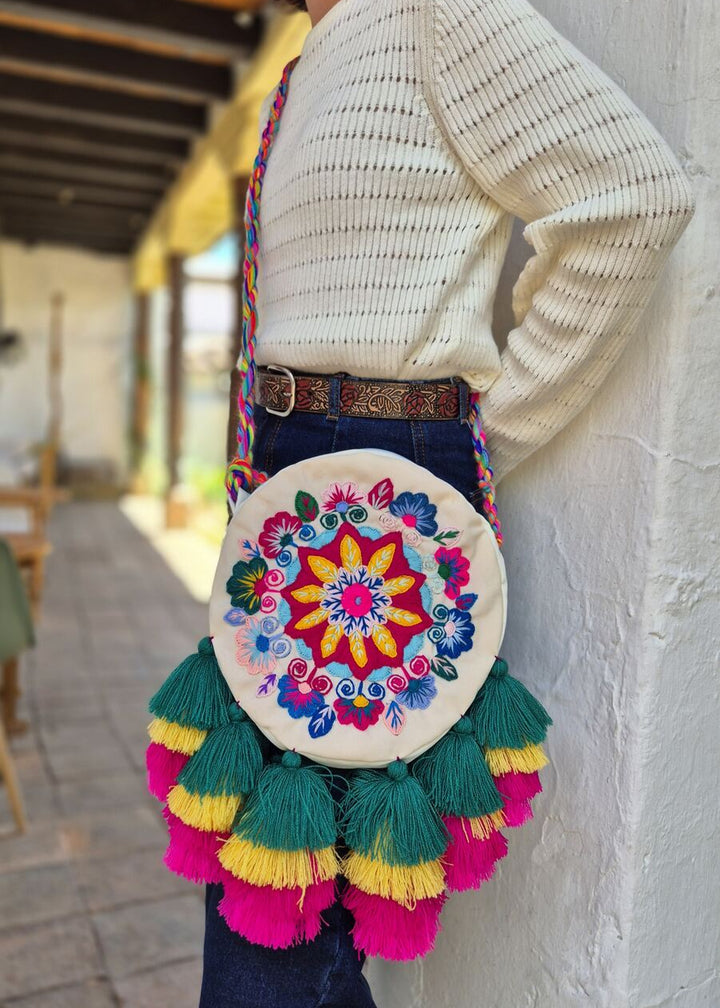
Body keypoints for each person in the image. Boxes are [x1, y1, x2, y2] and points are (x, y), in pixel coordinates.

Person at [199, 0, 694, 1005]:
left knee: (284, 900)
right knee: (262, 871)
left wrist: (485, 434)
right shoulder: (300, 69)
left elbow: (630, 195)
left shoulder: (431, 11)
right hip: (287, 478)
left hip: (381, 487)